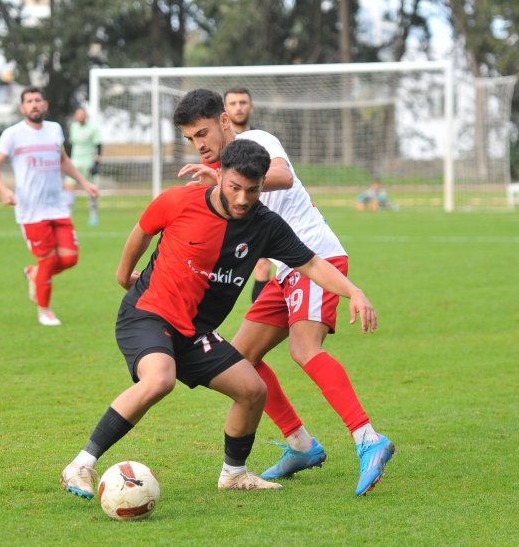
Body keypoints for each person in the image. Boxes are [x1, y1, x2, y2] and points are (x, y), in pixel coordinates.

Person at [60, 139, 378, 500]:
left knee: (252, 390)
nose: (243, 199)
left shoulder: (265, 225)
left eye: (253, 190)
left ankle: (234, 474)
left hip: (195, 332)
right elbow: (142, 231)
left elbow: (312, 263)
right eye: (235, 188)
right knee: (160, 379)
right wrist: (123, 275)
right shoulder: (180, 201)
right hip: (147, 314)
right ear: (220, 175)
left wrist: (354, 291)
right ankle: (81, 464)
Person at [176, 89, 394, 496]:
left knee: (304, 349)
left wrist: (224, 178)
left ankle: (368, 438)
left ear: (225, 121)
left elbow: (283, 176)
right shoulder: (222, 175)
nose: (199, 144)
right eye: (191, 139)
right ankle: (301, 445)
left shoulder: (257, 141)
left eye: (203, 132)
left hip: (316, 258)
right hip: (284, 271)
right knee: (240, 359)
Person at [0, 87, 99, 327]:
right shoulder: (12, 134)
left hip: (57, 207)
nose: (34, 104)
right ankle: (44, 310)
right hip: (31, 211)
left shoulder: (55, 130)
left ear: (45, 105)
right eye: (29, 101)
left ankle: (34, 274)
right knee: (48, 261)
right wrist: (4, 190)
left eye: (38, 100)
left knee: (69, 259)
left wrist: (85, 183)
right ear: (22, 107)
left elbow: (64, 161)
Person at [223, 87, 272, 302]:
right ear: (225, 110)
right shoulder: (221, 145)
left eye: (243, 102)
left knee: (262, 266)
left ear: (251, 107)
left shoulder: (263, 140)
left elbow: (281, 172)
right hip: (227, 217)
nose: (238, 107)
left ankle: (259, 322)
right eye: (233, 103)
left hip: (258, 212)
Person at [66, 107, 103, 225]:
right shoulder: (73, 127)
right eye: (78, 114)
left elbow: (99, 145)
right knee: (69, 187)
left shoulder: (93, 128)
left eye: (83, 114)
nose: (81, 116)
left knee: (91, 190)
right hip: (75, 162)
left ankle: (93, 216)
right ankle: (67, 216)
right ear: (75, 116)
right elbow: (70, 145)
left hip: (88, 162)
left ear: (86, 116)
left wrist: (96, 164)